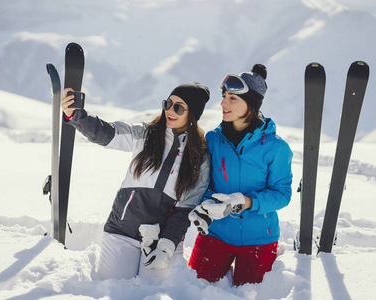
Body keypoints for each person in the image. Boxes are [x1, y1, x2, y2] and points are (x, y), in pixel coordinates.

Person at [61, 82, 211, 280]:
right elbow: (107, 133)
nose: (170, 111)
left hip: (163, 239)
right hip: (122, 230)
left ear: (193, 114)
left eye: (179, 107)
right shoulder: (145, 134)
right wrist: (76, 115)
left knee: (153, 292)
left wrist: (166, 247)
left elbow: (186, 207)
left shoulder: (199, 156)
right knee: (112, 288)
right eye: (168, 103)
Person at [187, 64, 293, 286]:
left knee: (250, 295)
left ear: (251, 105)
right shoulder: (214, 140)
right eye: (224, 96)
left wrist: (244, 201)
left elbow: (281, 194)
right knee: (193, 290)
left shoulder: (275, 147)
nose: (223, 103)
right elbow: (202, 184)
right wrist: (206, 206)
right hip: (216, 235)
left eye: (232, 98)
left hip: (259, 240)